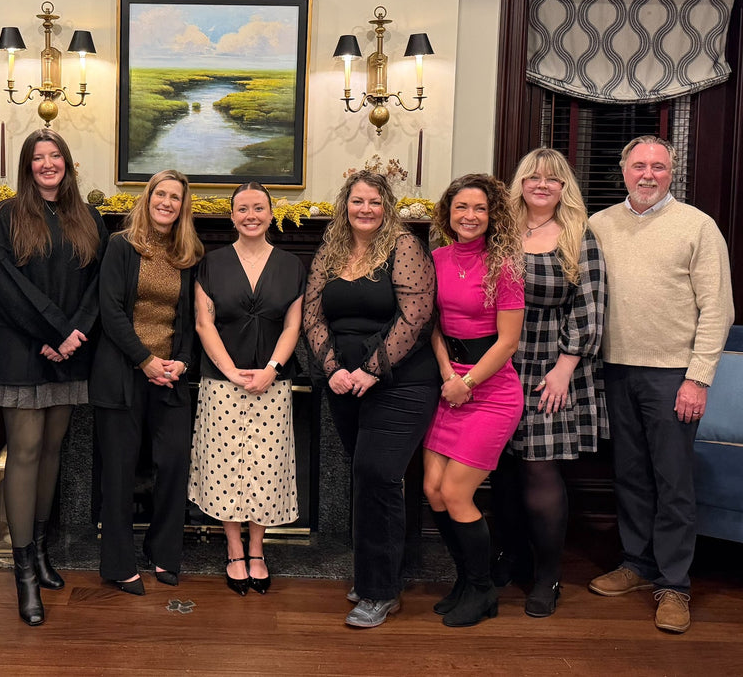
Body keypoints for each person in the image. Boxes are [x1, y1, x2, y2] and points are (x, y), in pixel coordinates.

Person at [587, 135, 734, 634]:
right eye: (639, 166)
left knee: (673, 482)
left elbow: (717, 308)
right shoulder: (598, 225)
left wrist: (698, 378)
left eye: (659, 167)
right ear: (623, 170)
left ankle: (674, 584)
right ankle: (637, 563)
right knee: (629, 474)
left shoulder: (697, 226)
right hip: (614, 369)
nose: (648, 174)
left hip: (673, 375)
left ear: (672, 173)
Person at [303, 171, 438, 628]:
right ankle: (376, 574)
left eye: (374, 202)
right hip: (343, 382)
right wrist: (333, 370)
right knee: (366, 477)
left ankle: (380, 591)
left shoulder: (403, 247)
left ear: (387, 207)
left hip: (401, 381)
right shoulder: (331, 249)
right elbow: (313, 316)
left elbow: (416, 315)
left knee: (377, 474)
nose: (365, 209)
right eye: (357, 201)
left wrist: (370, 370)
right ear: (346, 205)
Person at [0, 128, 108, 625]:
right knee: (27, 450)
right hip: (21, 347)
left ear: (68, 163)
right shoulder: (7, 215)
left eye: (56, 156)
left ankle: (39, 550)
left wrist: (75, 331)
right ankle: (23, 573)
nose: (48, 164)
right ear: (27, 166)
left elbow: (99, 284)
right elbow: (4, 284)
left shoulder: (87, 216)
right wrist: (54, 331)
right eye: (39, 158)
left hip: (70, 350)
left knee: (54, 449)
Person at [489, 148, 608, 618]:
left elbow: (590, 306)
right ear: (519, 183)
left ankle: (547, 575)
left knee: (539, 468)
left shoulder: (581, 235)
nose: (542, 184)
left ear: (564, 188)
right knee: (501, 468)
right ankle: (510, 556)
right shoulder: (500, 230)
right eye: (533, 177)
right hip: (497, 362)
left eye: (553, 179)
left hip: (552, 365)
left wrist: (564, 368)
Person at [90, 169, 204, 595]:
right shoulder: (121, 245)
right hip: (122, 373)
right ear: (148, 197)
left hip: (170, 377)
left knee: (173, 464)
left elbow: (189, 321)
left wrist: (181, 362)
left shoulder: (186, 254)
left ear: (182, 207)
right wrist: (145, 361)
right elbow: (111, 310)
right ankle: (119, 565)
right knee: (118, 471)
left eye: (176, 197)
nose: (167, 202)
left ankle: (164, 554)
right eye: (161, 194)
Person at [190, 182, 306, 596]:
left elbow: (294, 324)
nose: (251, 215)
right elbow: (204, 323)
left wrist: (272, 368)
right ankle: (234, 549)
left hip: (273, 384)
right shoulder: (211, 262)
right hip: (221, 383)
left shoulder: (292, 265)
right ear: (232, 215)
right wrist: (232, 370)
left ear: (271, 214)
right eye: (243, 209)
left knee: (265, 469)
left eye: (259, 208)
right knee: (224, 469)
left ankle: (258, 549)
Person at [422, 173, 525, 628]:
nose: (470, 216)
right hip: (450, 385)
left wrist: (468, 383)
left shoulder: (505, 264)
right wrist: (448, 374)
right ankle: (466, 579)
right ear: (448, 214)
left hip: (492, 390)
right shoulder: (436, 259)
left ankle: (483, 590)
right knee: (431, 490)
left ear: (492, 215)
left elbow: (508, 342)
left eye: (479, 208)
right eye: (461, 207)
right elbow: (433, 326)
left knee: (456, 492)